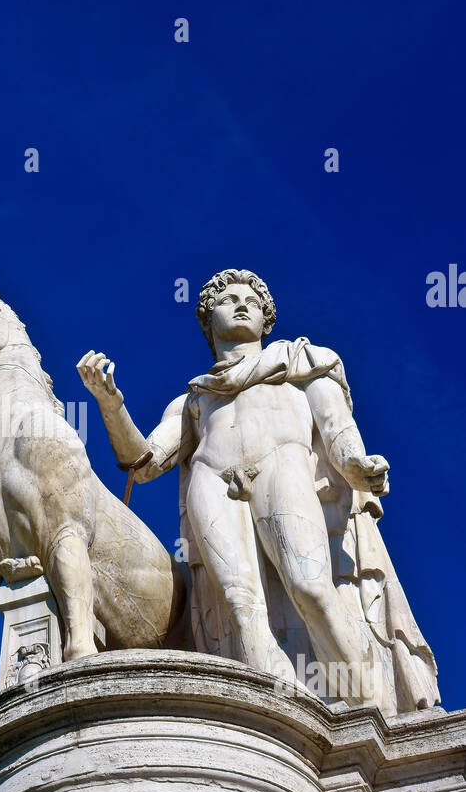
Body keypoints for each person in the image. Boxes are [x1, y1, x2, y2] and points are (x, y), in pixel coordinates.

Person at [78, 268, 439, 713]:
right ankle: (281, 717)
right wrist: (111, 405)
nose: (241, 303)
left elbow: (337, 427)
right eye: (227, 298)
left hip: (282, 463)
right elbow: (145, 463)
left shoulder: (302, 361)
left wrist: (356, 466)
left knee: (311, 587)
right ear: (209, 322)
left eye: (250, 298)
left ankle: (376, 711)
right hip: (214, 482)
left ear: (266, 317)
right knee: (240, 605)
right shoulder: (195, 399)